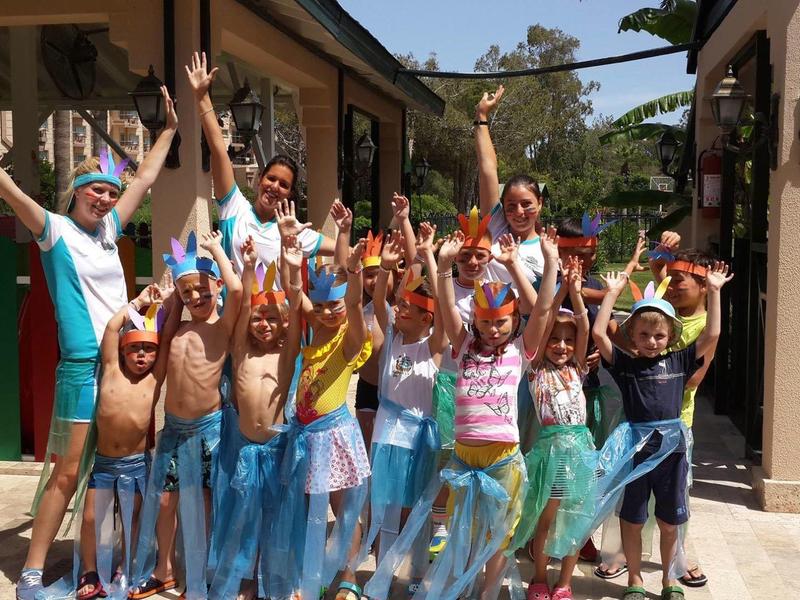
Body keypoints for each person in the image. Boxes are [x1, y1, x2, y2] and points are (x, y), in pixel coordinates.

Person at [0, 89, 178, 600]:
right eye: (93, 191)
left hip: (127, 365)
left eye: (107, 191)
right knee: (69, 471)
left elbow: (143, 179)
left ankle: (98, 566)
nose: (103, 198)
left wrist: (167, 129)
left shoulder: (109, 232)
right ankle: (32, 571)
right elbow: (11, 192)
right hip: (83, 366)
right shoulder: (53, 231)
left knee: (118, 470)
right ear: (74, 193)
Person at [366, 228, 560, 600]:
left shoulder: (521, 350)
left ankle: (487, 593)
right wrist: (441, 265)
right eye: (486, 321)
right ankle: (464, 587)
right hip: (465, 457)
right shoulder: (464, 344)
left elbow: (543, 309)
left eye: (500, 321)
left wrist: (545, 262)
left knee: (497, 534)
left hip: (501, 459)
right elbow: (447, 307)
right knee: (462, 530)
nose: (492, 328)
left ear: (512, 323)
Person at [590, 263, 732, 600]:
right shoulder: (626, 364)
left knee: (670, 521)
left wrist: (714, 290)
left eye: (659, 335)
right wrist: (611, 295)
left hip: (672, 452)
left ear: (671, 336)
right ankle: (635, 580)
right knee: (634, 518)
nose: (651, 342)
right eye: (643, 335)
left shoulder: (681, 361)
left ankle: (670, 580)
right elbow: (598, 334)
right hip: (637, 450)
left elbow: (711, 336)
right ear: (631, 336)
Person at [130, 230, 242, 600]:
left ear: (216, 288)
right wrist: (176, 295)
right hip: (173, 431)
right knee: (164, 501)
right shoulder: (176, 332)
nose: (196, 297)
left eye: (203, 290)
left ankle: (201, 574)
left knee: (203, 505)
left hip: (207, 431)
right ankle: (163, 570)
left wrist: (214, 252)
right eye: (187, 292)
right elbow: (159, 377)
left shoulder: (222, 327)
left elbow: (238, 290)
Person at [56, 283, 179, 600]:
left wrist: (172, 301)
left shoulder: (155, 378)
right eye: (135, 348)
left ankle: (127, 565)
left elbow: (166, 338)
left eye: (148, 349)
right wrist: (139, 302)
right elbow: (112, 327)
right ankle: (89, 569)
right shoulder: (110, 370)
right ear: (122, 350)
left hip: (136, 464)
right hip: (104, 462)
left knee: (132, 519)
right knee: (91, 518)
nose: (142, 355)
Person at [268, 224, 372, 600]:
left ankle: (348, 578)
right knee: (310, 508)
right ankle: (311, 575)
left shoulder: (348, 342)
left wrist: (355, 271)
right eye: (323, 305)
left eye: (335, 306)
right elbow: (295, 294)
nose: (328, 312)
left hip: (334, 435)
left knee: (343, 508)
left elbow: (357, 305)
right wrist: (288, 254)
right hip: (306, 437)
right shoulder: (316, 331)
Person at [186, 51, 336, 281]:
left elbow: (345, 250)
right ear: (259, 179)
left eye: (284, 184)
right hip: (237, 314)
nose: (275, 186)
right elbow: (218, 150)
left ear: (290, 193)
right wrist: (201, 97)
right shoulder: (234, 209)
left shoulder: (292, 231)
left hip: (277, 316)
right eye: (271, 178)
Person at [208, 235, 303, 600]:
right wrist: (247, 268)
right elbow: (244, 306)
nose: (263, 324)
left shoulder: (285, 355)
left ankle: (277, 582)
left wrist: (292, 269)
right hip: (245, 449)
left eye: (271, 319)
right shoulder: (241, 353)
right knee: (243, 519)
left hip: (277, 451)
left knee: (277, 517)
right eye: (258, 319)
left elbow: (295, 314)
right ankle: (246, 582)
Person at [354, 228, 446, 587]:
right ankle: (382, 571)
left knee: (413, 507)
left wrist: (436, 265)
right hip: (388, 434)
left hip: (419, 438)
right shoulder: (392, 335)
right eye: (401, 303)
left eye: (408, 306)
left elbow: (443, 308)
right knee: (383, 504)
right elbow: (379, 304)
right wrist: (388, 271)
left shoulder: (432, 345)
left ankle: (415, 571)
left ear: (427, 317)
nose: (399, 308)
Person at [508, 256, 593, 600]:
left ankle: (566, 582)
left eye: (567, 341)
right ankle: (540, 577)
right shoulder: (536, 369)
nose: (561, 346)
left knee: (577, 517)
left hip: (581, 449)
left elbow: (584, 329)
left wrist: (575, 292)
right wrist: (560, 295)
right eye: (556, 340)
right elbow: (541, 331)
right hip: (552, 450)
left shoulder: (579, 368)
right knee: (548, 514)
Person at [474, 85, 544, 288]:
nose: (518, 212)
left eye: (526, 204)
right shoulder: (496, 227)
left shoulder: (548, 247)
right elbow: (487, 169)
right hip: (486, 318)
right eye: (511, 205)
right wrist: (481, 116)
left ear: (540, 203)